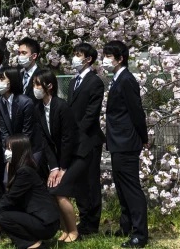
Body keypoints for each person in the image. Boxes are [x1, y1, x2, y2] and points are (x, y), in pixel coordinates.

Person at [103, 40, 149, 248]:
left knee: (131, 187)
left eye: (109, 56)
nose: (105, 60)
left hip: (127, 141)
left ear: (120, 58)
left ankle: (140, 233)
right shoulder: (117, 79)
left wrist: (144, 137)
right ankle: (126, 225)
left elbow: (136, 111)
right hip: (117, 141)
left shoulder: (127, 80)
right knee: (121, 185)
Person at [0, 134, 59, 249]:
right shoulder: (20, 169)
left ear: (18, 151)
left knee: (3, 218)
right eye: (6, 148)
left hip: (46, 223)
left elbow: (10, 197)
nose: (6, 152)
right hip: (40, 219)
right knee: (5, 215)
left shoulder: (25, 172)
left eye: (10, 149)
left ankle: (34, 245)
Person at [32, 68, 79, 242]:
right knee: (52, 189)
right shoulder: (38, 108)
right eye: (34, 84)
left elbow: (68, 139)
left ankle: (73, 231)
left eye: (38, 84)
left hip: (72, 156)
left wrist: (63, 168)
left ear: (49, 85)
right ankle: (64, 229)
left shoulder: (61, 106)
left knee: (59, 191)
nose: (35, 88)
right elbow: (45, 141)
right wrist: (53, 167)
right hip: (56, 159)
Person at [64, 42, 105, 237]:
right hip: (75, 140)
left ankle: (92, 223)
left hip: (89, 140)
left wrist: (77, 133)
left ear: (88, 59)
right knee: (79, 182)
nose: (75, 58)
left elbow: (91, 114)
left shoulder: (95, 82)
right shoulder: (73, 82)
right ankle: (83, 218)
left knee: (90, 181)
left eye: (78, 54)